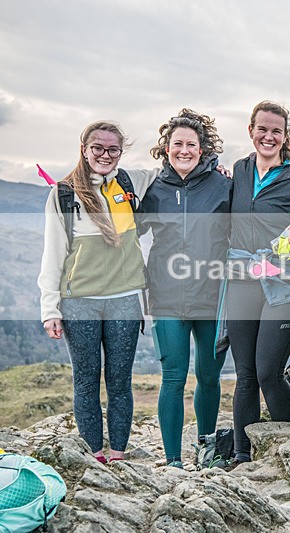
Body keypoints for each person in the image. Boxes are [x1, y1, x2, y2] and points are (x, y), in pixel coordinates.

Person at [38, 121, 158, 463]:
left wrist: (215, 167)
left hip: (125, 299)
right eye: (98, 148)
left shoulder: (130, 182)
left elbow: (175, 166)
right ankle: (95, 456)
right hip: (79, 303)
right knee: (86, 381)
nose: (105, 155)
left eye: (113, 149)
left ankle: (118, 455)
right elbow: (53, 253)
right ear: (84, 149)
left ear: (121, 152)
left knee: (120, 381)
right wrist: (50, 309)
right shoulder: (63, 193)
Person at [224, 100, 290, 467]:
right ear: (251, 130)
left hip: (284, 282)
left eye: (276, 131)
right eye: (262, 129)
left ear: (285, 136)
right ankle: (242, 455)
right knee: (246, 375)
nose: (268, 136)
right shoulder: (239, 170)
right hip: (243, 278)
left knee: (268, 372)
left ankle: (288, 449)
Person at [137, 109, 232, 469]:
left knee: (208, 376)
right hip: (167, 297)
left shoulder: (223, 185)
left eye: (191, 144)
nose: (184, 150)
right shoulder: (153, 189)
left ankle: (207, 452)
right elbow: (128, 231)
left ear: (202, 148)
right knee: (173, 378)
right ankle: (173, 460)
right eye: (178, 143)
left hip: (213, 296)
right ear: (167, 148)